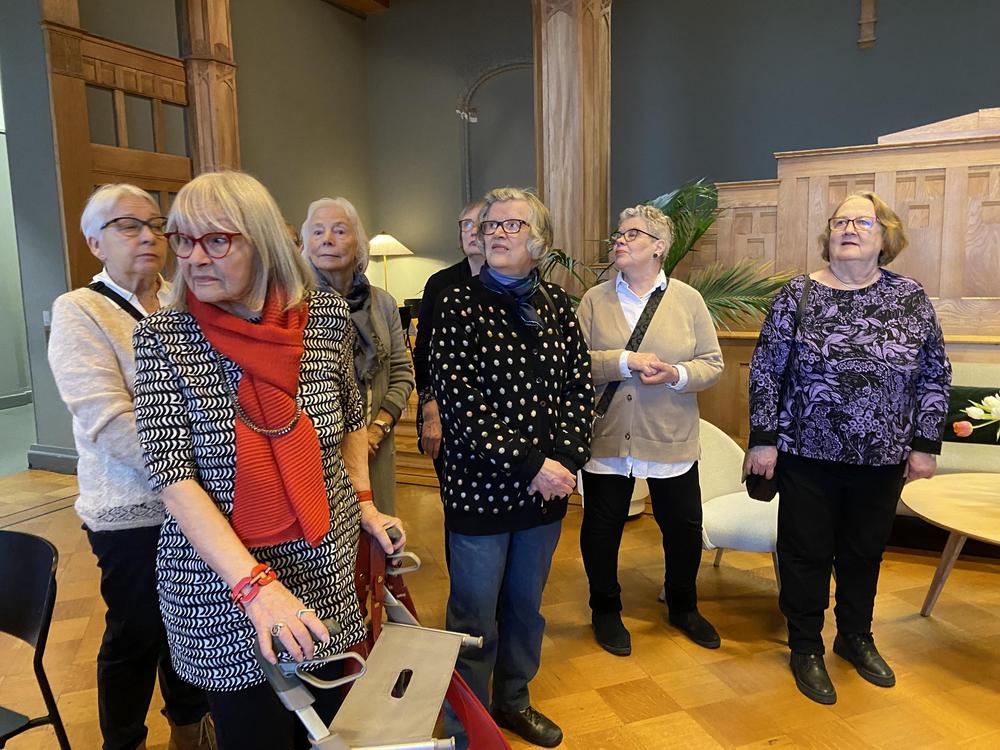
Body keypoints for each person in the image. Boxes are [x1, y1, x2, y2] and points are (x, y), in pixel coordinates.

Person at [132, 171, 405, 749]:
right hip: (221, 585)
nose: (193, 257)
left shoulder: (325, 317)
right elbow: (174, 479)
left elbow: (350, 419)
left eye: (215, 240)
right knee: (257, 735)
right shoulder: (164, 337)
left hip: (323, 562)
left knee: (333, 726)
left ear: (262, 241)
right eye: (182, 240)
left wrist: (364, 503)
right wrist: (256, 588)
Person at [745, 191, 951, 705]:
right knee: (805, 553)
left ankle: (856, 636)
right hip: (805, 454)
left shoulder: (910, 297)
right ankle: (805, 645)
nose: (849, 229)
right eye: (840, 222)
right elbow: (766, 372)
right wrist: (763, 441)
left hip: (882, 457)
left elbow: (934, 373)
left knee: (864, 552)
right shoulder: (796, 294)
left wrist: (925, 443)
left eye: (862, 221)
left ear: (885, 237)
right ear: (829, 234)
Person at [48, 184, 215, 750]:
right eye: (127, 225)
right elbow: (108, 418)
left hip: (202, 506)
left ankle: (189, 731)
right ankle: (124, 742)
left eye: (155, 224)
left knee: (194, 630)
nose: (148, 236)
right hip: (131, 510)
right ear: (95, 243)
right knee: (137, 632)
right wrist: (189, 480)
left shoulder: (186, 301)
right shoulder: (80, 310)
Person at [431, 187, 593, 749]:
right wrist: (533, 465)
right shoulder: (456, 303)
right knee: (473, 616)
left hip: (544, 492)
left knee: (525, 608)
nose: (497, 233)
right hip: (479, 489)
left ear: (539, 239)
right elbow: (462, 406)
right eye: (490, 225)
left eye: (512, 224)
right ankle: (468, 726)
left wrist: (565, 461)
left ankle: (514, 700)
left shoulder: (559, 305)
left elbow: (578, 390)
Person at [576, 204, 724, 657]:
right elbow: (574, 364)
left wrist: (677, 374)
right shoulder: (593, 300)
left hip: (670, 435)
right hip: (607, 434)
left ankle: (683, 605)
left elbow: (713, 364)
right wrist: (624, 361)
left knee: (683, 527)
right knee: (602, 528)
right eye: (618, 234)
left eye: (632, 234)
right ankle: (605, 609)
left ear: (659, 247)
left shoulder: (688, 300)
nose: (619, 240)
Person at [301, 197, 414, 515]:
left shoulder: (384, 304)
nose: (327, 239)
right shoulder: (294, 306)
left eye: (339, 231)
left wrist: (376, 430)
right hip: (319, 457)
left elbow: (401, 372)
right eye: (317, 231)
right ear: (307, 244)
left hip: (376, 450)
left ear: (359, 245)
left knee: (380, 535)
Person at [413, 199, 486, 465]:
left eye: (480, 224)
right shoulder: (441, 284)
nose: (472, 231)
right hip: (447, 410)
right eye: (466, 224)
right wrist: (430, 408)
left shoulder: (516, 284)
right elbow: (423, 350)